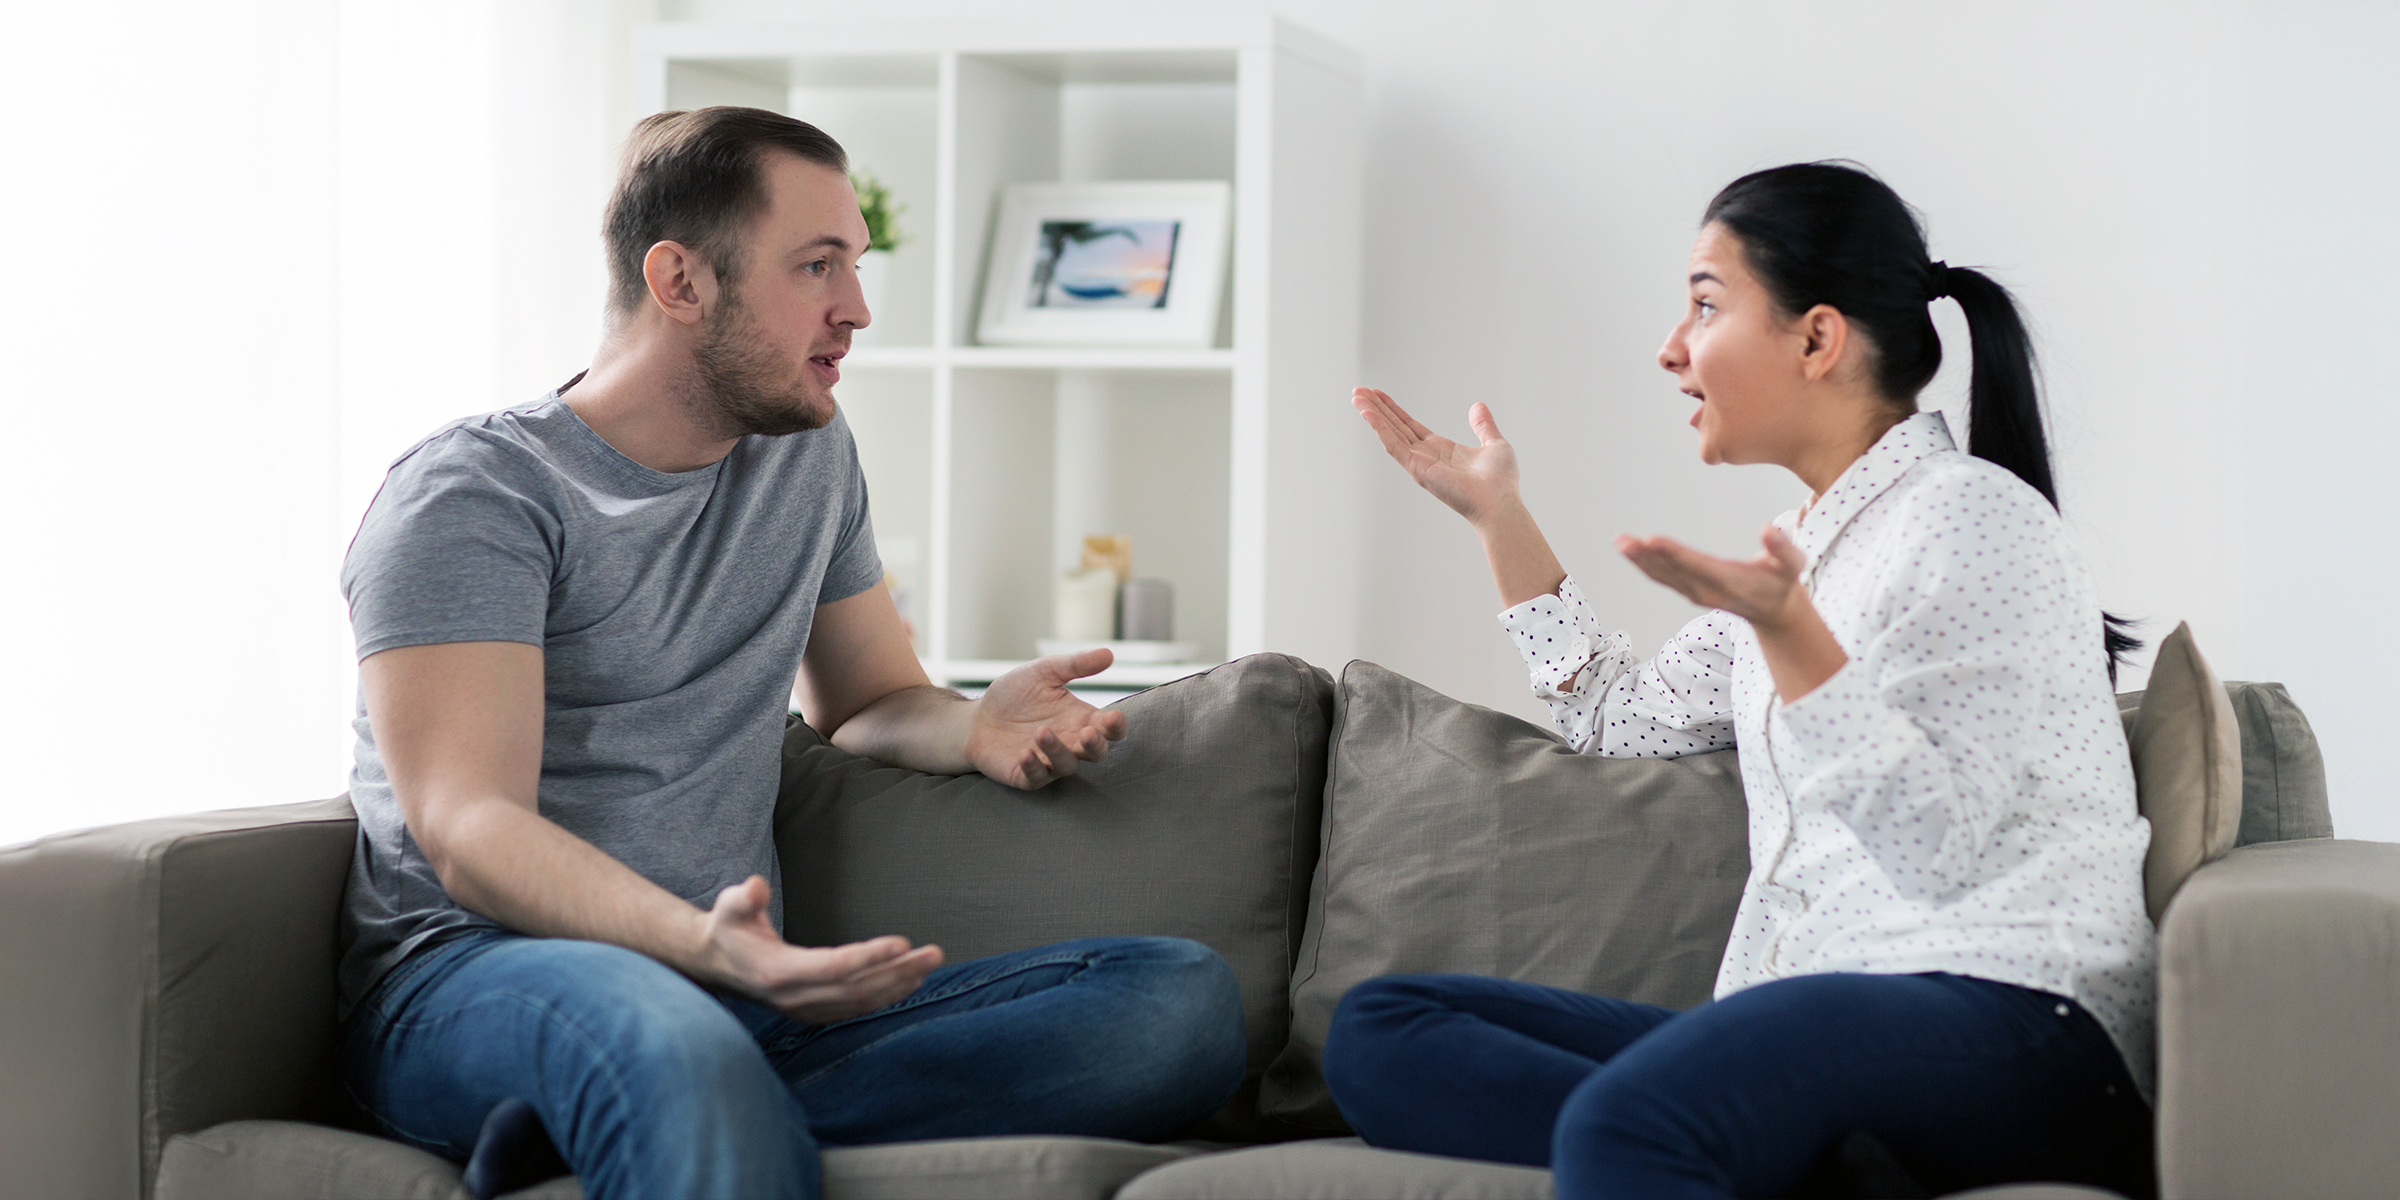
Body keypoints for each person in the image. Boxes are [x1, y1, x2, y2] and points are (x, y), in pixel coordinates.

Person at [334, 106, 1245, 1200]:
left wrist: (968, 724)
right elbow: (468, 829)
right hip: (477, 979)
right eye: (817, 267)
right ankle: (648, 1094)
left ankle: (605, 1126)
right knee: (663, 1039)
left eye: (854, 267)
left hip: (736, 999)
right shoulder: (476, 496)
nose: (855, 311)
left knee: (1174, 1003)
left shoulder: (803, 458)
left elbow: (867, 699)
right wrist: (697, 946)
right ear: (680, 282)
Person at [1323, 162, 2156, 1199]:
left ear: (1817, 339)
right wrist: (1500, 516)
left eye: (1707, 305)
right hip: (1827, 1015)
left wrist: (1789, 631)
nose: (1671, 348)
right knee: (1381, 1031)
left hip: (2018, 1021)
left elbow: (1938, 852)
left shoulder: (1972, 520)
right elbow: (1614, 720)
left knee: (1632, 1125)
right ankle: (1786, 1157)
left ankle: (1698, 1139)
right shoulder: (1799, 556)